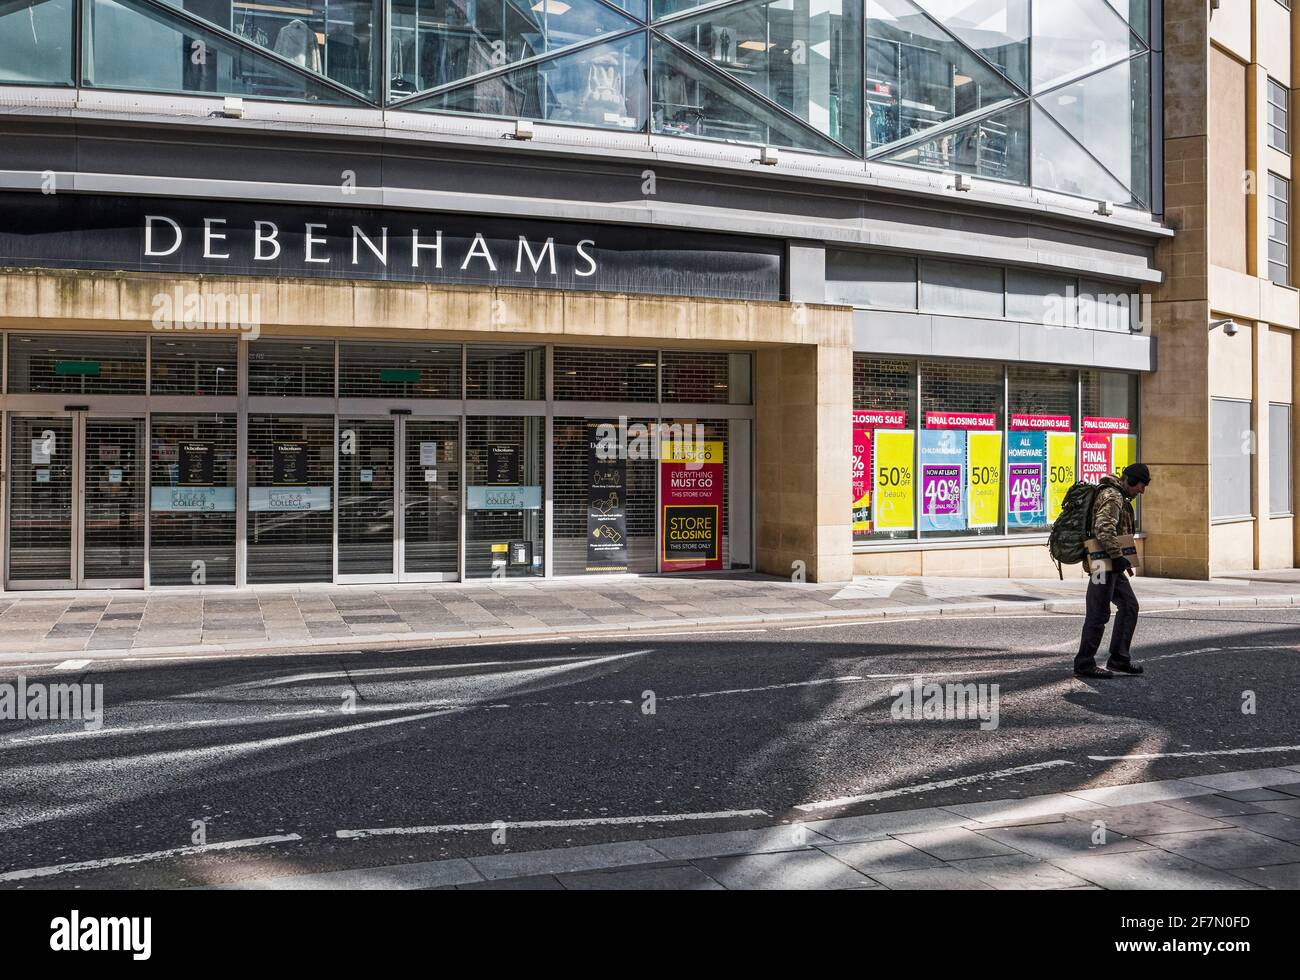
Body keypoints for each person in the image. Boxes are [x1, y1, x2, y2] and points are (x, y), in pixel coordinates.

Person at [1074, 463, 1151, 679]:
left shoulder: (1117, 495)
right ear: (1131, 481)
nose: (1142, 491)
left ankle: (1119, 659)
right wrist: (1117, 557)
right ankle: (1084, 663)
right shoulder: (1113, 497)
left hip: (1111, 564)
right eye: (1141, 486)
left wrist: (1118, 560)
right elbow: (1103, 527)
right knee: (1098, 613)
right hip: (1103, 564)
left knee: (1129, 606)